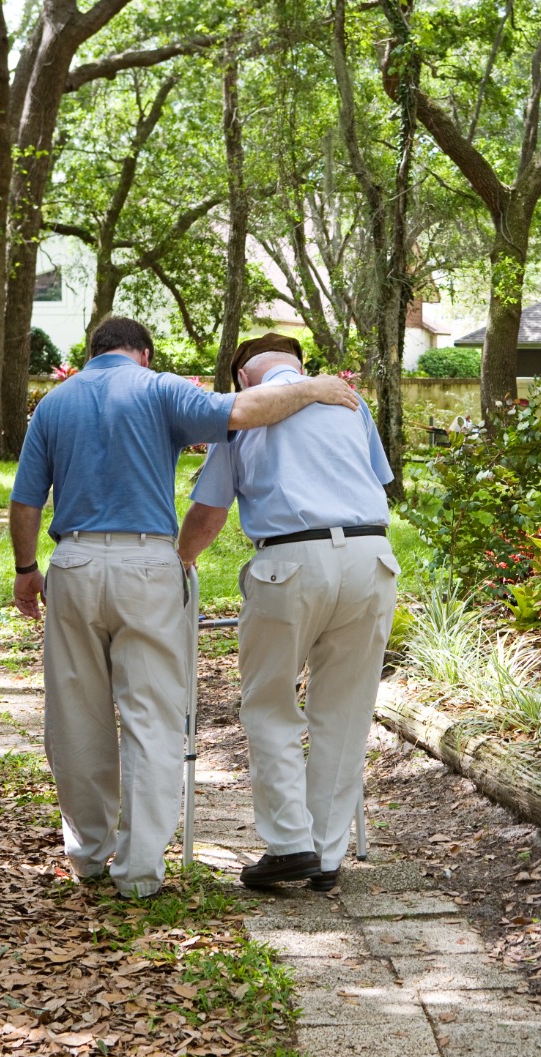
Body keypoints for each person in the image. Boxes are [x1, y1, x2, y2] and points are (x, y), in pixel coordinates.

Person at [9, 316, 359, 899]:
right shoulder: (160, 387)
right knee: (152, 716)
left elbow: (25, 500)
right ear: (142, 353)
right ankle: (141, 871)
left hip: (70, 563)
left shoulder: (53, 404)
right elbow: (242, 412)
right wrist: (314, 388)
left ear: (92, 352)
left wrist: (26, 570)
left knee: (75, 714)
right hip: (147, 564)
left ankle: (89, 855)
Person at [177, 333, 397, 892]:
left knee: (271, 703)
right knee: (345, 712)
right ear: (299, 364)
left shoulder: (243, 414)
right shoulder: (349, 400)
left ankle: (289, 844)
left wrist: (178, 563)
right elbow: (378, 481)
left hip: (291, 560)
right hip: (373, 556)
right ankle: (326, 855)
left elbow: (210, 513)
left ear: (242, 378)